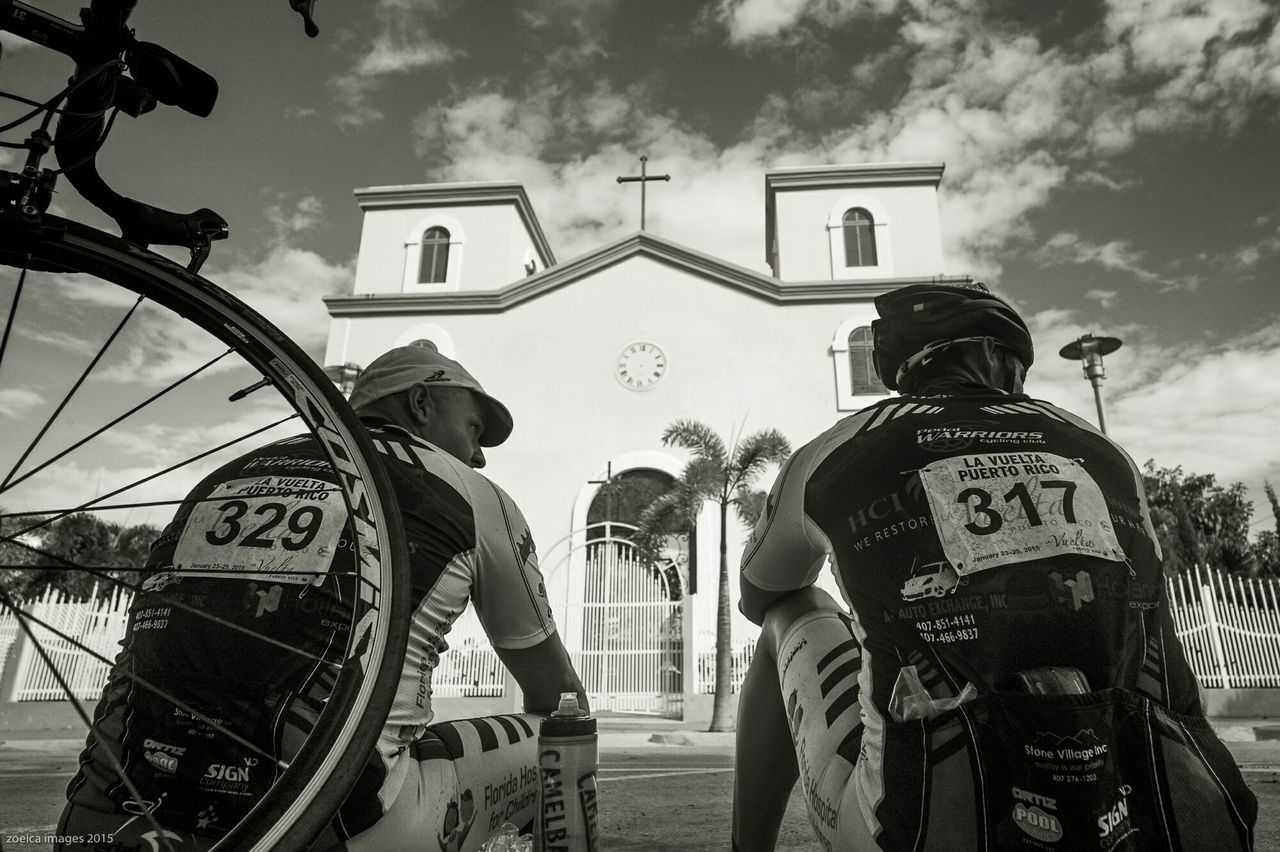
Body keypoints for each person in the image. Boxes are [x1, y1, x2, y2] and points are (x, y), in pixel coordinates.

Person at [730, 283, 1256, 851]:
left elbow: (762, 592)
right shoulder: (1102, 450)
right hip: (1169, 822)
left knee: (793, 608)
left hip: (934, 827)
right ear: (1004, 361)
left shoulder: (833, 451)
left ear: (906, 372)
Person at [58, 340, 586, 852]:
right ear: (422, 404)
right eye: (473, 428)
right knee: (569, 723)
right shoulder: (472, 494)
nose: (479, 456)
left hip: (103, 820)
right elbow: (557, 693)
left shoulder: (229, 473)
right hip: (322, 828)